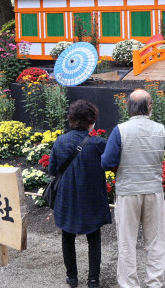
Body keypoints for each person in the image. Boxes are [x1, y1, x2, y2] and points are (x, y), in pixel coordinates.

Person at [101, 89, 165, 288]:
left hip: (128, 191)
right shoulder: (161, 129)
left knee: (127, 241)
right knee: (156, 240)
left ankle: (129, 284)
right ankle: (154, 282)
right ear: (149, 108)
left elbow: (106, 162)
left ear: (128, 107)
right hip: (153, 191)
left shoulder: (120, 130)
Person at [49, 99, 111, 288]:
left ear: (71, 119)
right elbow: (110, 164)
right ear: (91, 121)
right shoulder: (99, 143)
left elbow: (52, 169)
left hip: (66, 196)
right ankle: (93, 279)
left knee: (67, 236)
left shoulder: (60, 141)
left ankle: (72, 277)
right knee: (94, 238)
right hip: (91, 197)